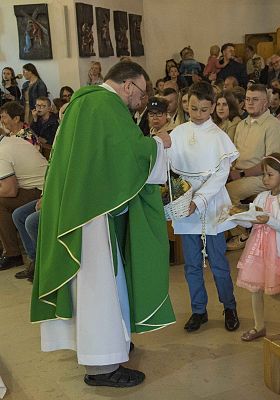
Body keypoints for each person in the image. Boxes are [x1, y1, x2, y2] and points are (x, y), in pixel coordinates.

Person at [30, 61, 176, 388]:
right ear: (127, 85)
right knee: (99, 288)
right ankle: (102, 367)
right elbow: (130, 155)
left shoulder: (84, 101)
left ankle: (112, 344)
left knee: (100, 285)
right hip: (91, 216)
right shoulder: (104, 104)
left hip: (82, 207)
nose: (142, 99)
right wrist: (159, 143)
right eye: (141, 92)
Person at [167, 81, 240, 333]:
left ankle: (229, 306)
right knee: (192, 264)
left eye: (204, 110)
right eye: (193, 108)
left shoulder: (220, 137)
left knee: (219, 262)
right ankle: (199, 309)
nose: (197, 114)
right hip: (185, 208)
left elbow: (220, 177)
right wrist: (181, 198)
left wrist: (198, 201)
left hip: (212, 207)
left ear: (213, 108)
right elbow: (171, 171)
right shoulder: (177, 134)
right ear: (187, 103)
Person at [237, 153, 280, 341]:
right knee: (255, 289)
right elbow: (252, 221)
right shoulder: (261, 197)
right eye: (264, 175)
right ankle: (259, 326)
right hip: (258, 249)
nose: (265, 179)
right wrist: (237, 217)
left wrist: (268, 219)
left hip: (276, 251)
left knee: (275, 291)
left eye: (270, 175)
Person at [226, 84, 280, 251]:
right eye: (247, 99)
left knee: (227, 193)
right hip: (241, 173)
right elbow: (234, 154)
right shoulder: (242, 124)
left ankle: (242, 234)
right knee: (213, 187)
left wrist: (242, 173)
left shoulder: (273, 125)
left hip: (264, 178)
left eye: (255, 100)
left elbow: (272, 162)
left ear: (266, 103)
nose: (250, 103)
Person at [0, 102, 47, 271]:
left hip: (41, 189)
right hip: (32, 186)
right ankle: (26, 257)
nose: (2, 120)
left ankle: (13, 254)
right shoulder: (9, 140)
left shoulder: (6, 147)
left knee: (2, 202)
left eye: (4, 116)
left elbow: (10, 190)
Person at [12, 198, 41, 281]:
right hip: (47, 196)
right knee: (18, 215)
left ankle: (41, 264)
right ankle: (34, 261)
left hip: (59, 201)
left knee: (31, 221)